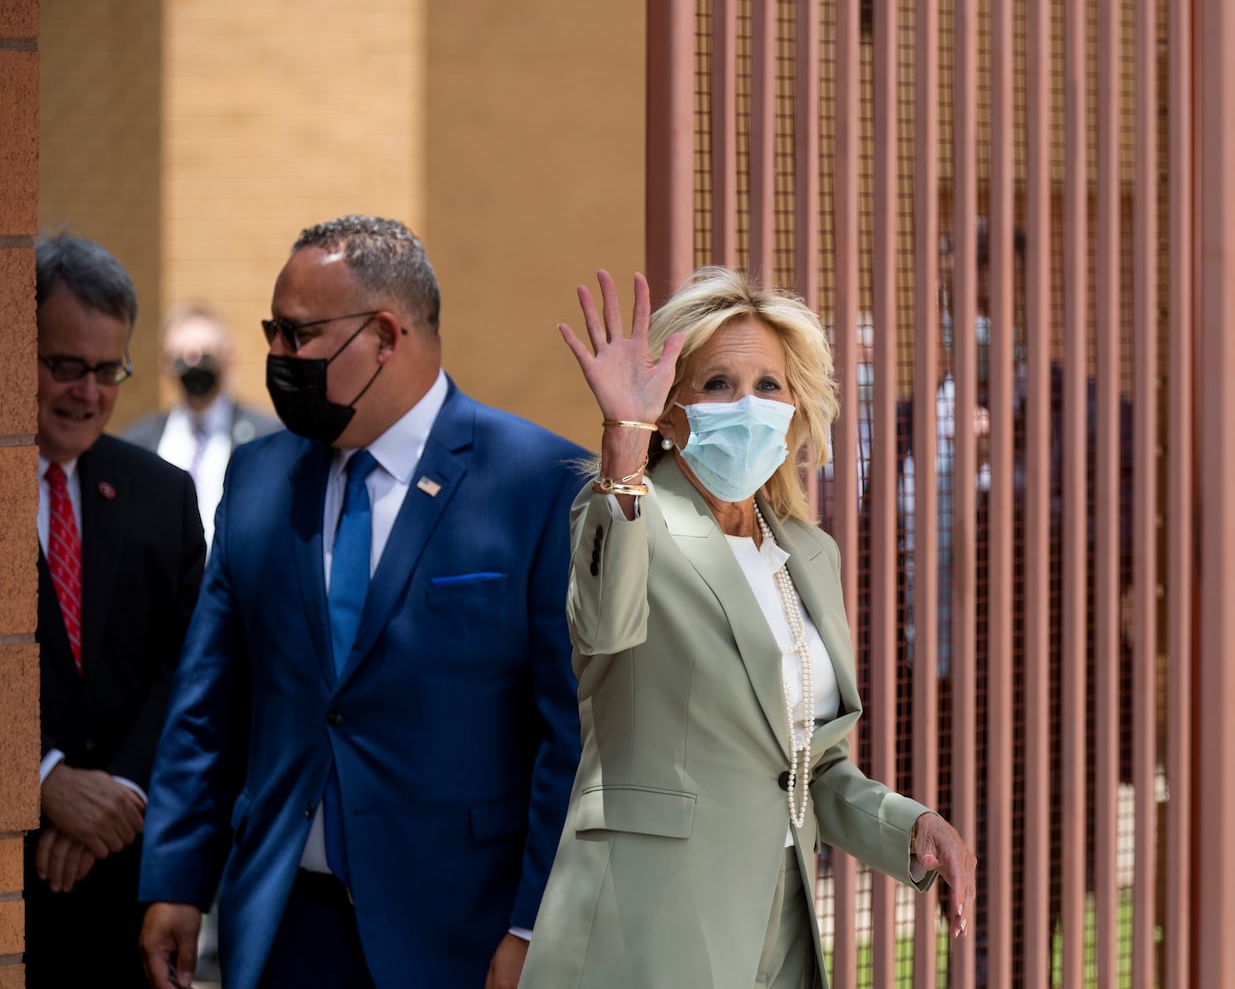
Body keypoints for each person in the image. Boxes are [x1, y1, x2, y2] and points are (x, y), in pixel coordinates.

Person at [137, 215, 587, 989]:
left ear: (386, 335)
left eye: (299, 335)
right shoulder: (256, 480)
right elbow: (207, 702)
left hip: (460, 931)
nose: (278, 357)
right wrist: (176, 876)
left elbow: (570, 730)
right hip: (281, 924)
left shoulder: (538, 481)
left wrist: (531, 923)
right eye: (271, 332)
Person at [520, 267, 977, 989]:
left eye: (769, 385)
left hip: (778, 923)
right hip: (649, 924)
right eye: (717, 384)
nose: (748, 405)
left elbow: (809, 767)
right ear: (669, 412)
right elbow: (602, 632)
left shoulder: (808, 553)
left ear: (796, 407)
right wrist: (623, 451)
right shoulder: (626, 516)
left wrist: (910, 827)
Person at [25, 236, 206, 988]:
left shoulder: (161, 493)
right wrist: (40, 777)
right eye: (65, 366)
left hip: (124, 893)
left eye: (109, 371)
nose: (88, 393)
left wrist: (120, 793)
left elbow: (191, 664)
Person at [122, 304, 281, 550]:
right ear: (165, 363)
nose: (194, 366)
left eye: (205, 356)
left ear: (228, 356)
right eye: (182, 358)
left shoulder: (269, 438)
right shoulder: (138, 442)